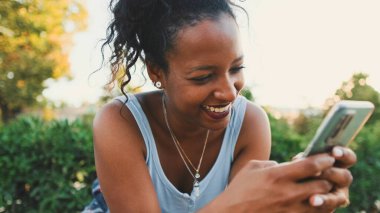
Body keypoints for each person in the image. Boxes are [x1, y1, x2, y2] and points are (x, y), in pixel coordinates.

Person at [85, 0, 356, 212]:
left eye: (236, 68)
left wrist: (292, 199)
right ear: (156, 72)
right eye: (202, 77)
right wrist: (238, 206)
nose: (229, 93)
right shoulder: (120, 122)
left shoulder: (249, 123)